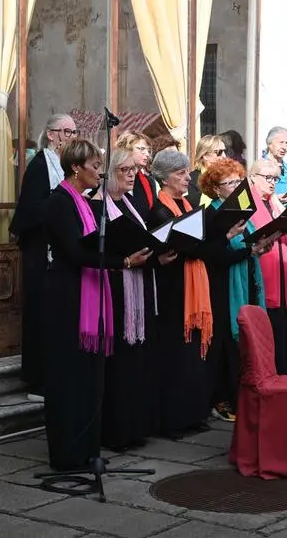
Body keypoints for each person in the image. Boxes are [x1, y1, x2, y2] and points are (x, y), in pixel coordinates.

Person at [41, 139, 151, 471]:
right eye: (95, 167)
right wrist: (124, 262)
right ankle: (67, 453)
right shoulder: (59, 202)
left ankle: (86, 448)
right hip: (67, 294)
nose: (100, 173)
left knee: (88, 376)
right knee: (68, 375)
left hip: (87, 289)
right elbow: (75, 253)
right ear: (76, 168)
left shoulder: (84, 202)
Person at [90, 149, 176, 451]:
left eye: (133, 170)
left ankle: (135, 428)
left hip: (138, 288)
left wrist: (156, 260)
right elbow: (96, 253)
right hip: (114, 293)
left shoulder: (128, 203)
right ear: (109, 172)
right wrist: (126, 260)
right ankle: (116, 431)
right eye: (124, 170)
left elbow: (140, 246)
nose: (131, 175)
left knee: (137, 361)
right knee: (118, 365)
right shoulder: (97, 205)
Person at [199, 158, 275, 422]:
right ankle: (224, 398)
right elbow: (215, 256)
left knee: (247, 341)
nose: (234, 186)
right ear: (215, 188)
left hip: (249, 280)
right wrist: (246, 249)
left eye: (237, 181)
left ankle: (245, 395)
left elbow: (250, 243)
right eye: (227, 183)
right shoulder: (213, 214)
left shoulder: (244, 210)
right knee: (228, 345)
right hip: (225, 287)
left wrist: (261, 245)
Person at [10, 113, 78, 399]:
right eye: (66, 132)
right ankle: (36, 379)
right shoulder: (40, 165)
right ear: (51, 135)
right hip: (40, 250)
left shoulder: (65, 167)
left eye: (74, 132)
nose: (71, 137)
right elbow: (30, 209)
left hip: (57, 250)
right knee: (39, 313)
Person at [147, 150, 214, 439]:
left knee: (193, 355)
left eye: (187, 172)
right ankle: (173, 419)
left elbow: (198, 241)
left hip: (193, 283)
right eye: (181, 173)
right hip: (174, 289)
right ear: (165, 177)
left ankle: (193, 413)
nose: (189, 177)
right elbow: (173, 245)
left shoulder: (188, 205)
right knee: (175, 355)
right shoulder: (158, 210)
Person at [248, 158, 287, 374]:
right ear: (252, 177)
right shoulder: (247, 202)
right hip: (261, 273)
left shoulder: (275, 204)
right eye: (267, 177)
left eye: (276, 178)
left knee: (283, 329)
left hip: (282, 273)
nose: (272, 182)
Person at [115, 131, 156, 219]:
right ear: (126, 149)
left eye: (148, 150)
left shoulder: (149, 182)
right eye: (141, 149)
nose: (147, 154)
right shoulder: (114, 178)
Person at [187, 134, 228, 207]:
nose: (224, 156)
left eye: (225, 151)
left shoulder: (230, 176)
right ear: (205, 155)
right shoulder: (191, 179)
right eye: (219, 152)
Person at [262, 126, 287, 198]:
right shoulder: (260, 168)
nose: (284, 147)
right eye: (281, 142)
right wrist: (275, 199)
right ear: (269, 144)